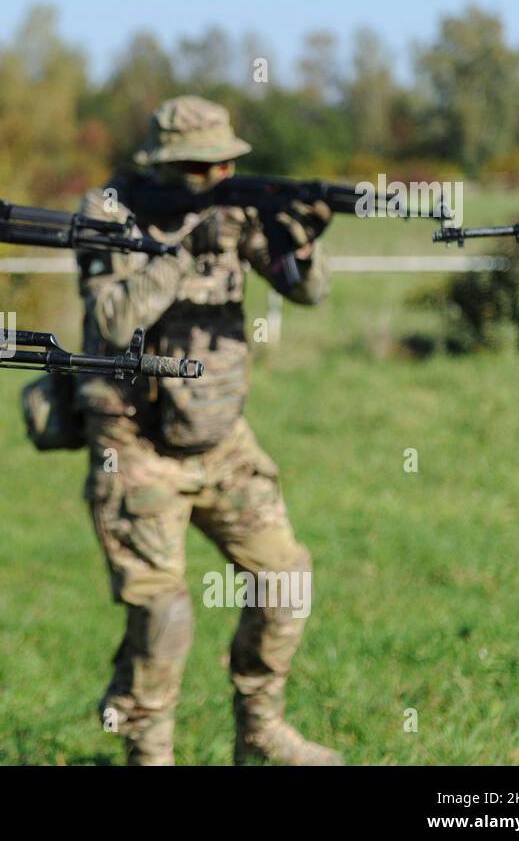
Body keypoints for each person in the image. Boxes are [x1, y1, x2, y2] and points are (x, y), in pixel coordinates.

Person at [76, 96, 342, 766]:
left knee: (285, 576)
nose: (222, 171)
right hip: (135, 444)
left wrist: (301, 242)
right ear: (165, 167)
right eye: (204, 166)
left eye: (228, 160)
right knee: (162, 615)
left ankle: (260, 730)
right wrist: (183, 250)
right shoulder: (108, 214)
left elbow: (305, 290)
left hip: (223, 441)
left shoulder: (235, 209)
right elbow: (111, 320)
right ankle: (149, 754)